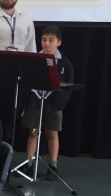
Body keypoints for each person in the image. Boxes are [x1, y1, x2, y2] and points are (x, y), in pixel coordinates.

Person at [18, 26, 74, 180]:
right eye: (44, 40)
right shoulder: (34, 59)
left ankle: (53, 166)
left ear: (59, 42)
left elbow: (68, 85)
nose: (47, 44)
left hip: (53, 101)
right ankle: (29, 164)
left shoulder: (64, 63)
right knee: (33, 131)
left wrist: (59, 102)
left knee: (52, 132)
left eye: (51, 40)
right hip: (35, 98)